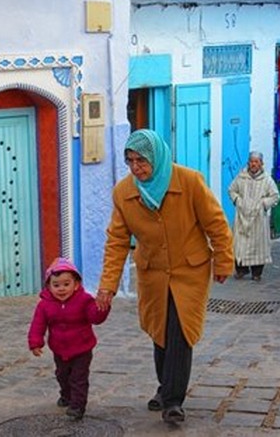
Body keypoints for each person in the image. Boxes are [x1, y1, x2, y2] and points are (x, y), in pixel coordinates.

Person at [96, 129, 234, 425]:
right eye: (131, 161)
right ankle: (165, 386)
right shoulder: (124, 193)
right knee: (160, 332)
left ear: (156, 157)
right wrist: (108, 285)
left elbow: (216, 224)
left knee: (180, 332)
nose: (137, 168)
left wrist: (223, 261)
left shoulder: (189, 181)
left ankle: (173, 401)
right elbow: (117, 241)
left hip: (190, 270)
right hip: (153, 273)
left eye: (142, 161)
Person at [28, 258, 110, 421]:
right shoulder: (44, 305)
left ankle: (78, 406)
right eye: (56, 285)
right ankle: (66, 395)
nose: (61, 289)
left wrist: (103, 307)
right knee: (62, 375)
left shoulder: (84, 300)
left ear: (76, 284)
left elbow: (95, 318)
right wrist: (35, 342)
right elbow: (38, 324)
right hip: (59, 349)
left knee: (78, 378)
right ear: (48, 286)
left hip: (82, 348)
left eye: (66, 284)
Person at [227, 152, 280, 281]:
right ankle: (241, 270)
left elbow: (275, 196)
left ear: (261, 164)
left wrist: (263, 204)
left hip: (258, 218)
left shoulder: (267, 180)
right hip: (242, 216)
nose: (253, 164)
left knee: (258, 246)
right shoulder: (241, 177)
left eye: (256, 162)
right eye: (251, 161)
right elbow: (231, 190)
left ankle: (256, 272)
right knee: (239, 244)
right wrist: (237, 201)